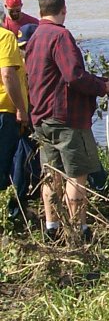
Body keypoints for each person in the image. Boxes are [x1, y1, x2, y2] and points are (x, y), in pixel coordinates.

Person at [25, 0, 109, 243]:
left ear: (39, 11)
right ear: (64, 9)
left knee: (51, 174)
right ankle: (79, 231)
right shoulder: (61, 36)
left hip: (41, 117)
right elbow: (74, 76)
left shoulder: (35, 37)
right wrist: (105, 86)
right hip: (66, 118)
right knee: (76, 175)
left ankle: (51, 228)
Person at [0, 25, 29, 220]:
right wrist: (20, 108)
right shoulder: (5, 37)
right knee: (3, 165)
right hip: (4, 110)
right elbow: (8, 74)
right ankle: (8, 216)